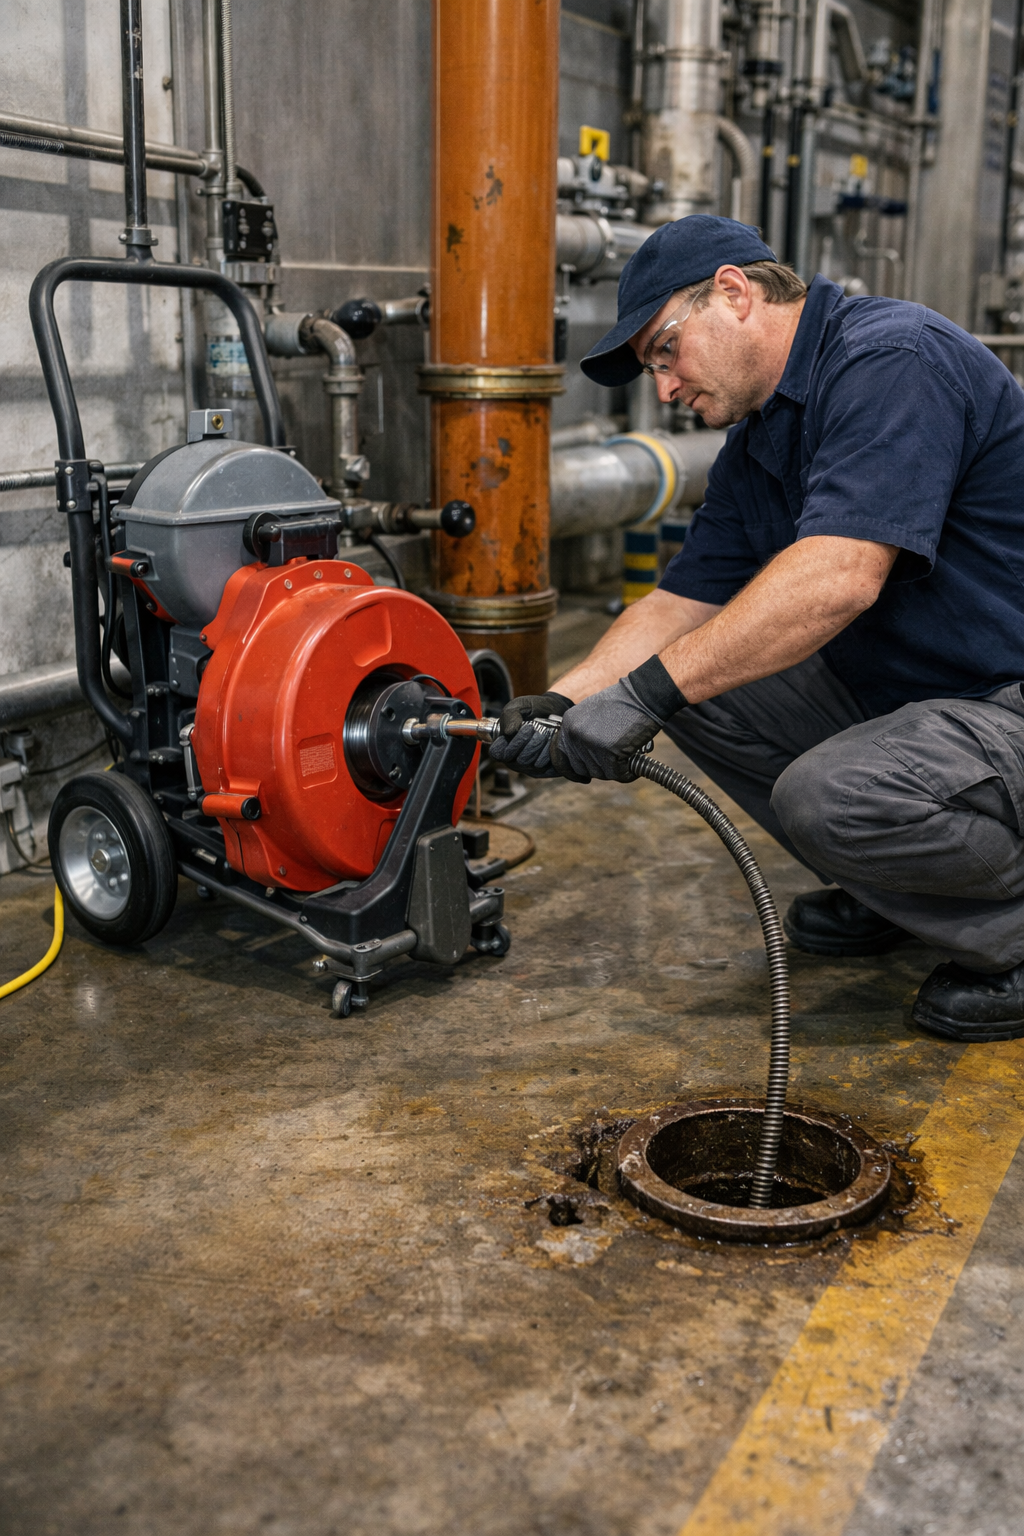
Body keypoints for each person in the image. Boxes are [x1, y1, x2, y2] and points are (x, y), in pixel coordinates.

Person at [491, 215, 1024, 1043]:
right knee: (694, 684)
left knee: (830, 794)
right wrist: (562, 701)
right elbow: (679, 608)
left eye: (665, 352)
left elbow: (840, 579)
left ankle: (1006, 932)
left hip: (1007, 701)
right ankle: (897, 884)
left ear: (734, 293)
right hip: (927, 700)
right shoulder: (761, 442)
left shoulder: (891, 362)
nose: (664, 388)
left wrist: (646, 692)